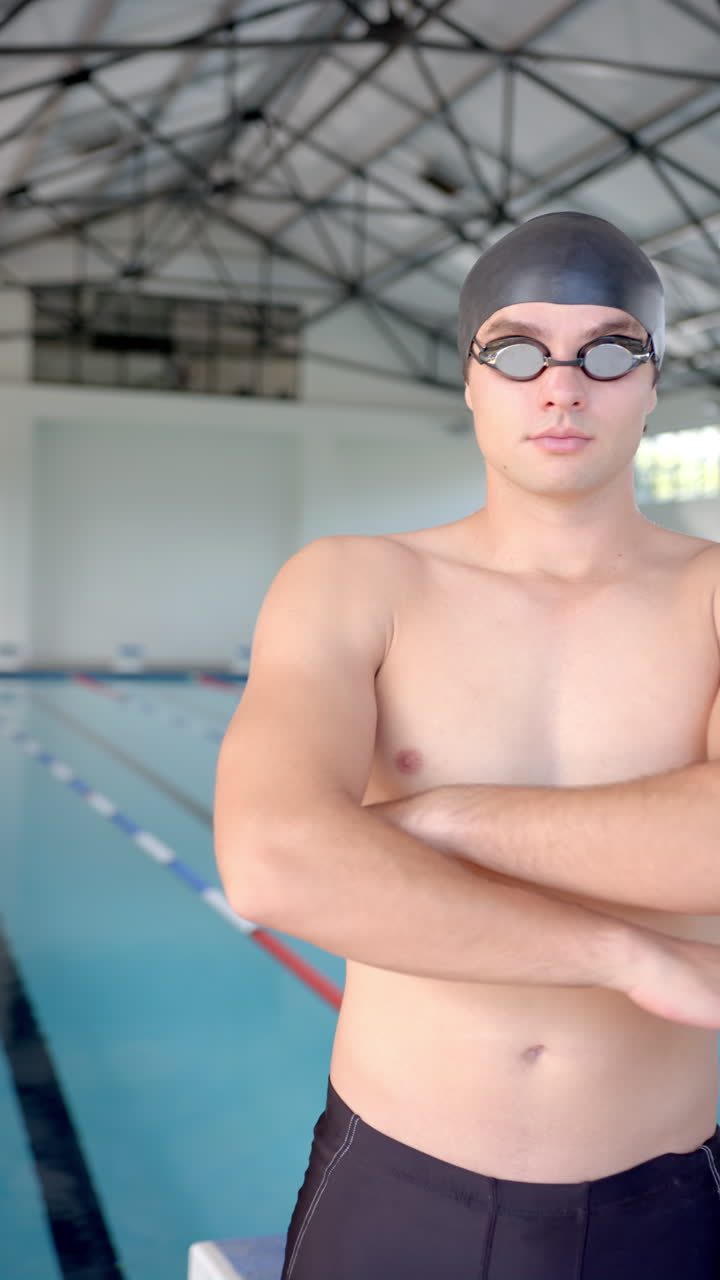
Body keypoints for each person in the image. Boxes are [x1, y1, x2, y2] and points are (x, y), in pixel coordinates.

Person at [214, 211, 720, 1279]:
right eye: (520, 347)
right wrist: (630, 951)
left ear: (654, 380)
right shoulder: (354, 583)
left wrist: (435, 820)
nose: (562, 384)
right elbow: (270, 861)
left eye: (610, 350)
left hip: (667, 1194)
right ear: (470, 377)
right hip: (397, 1181)